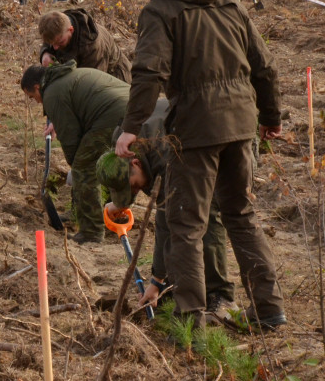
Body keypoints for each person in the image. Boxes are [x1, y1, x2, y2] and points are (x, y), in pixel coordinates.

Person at [114, 0, 285, 331]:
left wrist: (130, 127)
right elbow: (265, 66)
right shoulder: (229, 3)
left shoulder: (159, 11)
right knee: (241, 216)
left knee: (186, 224)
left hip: (195, 128)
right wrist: (270, 117)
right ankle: (269, 310)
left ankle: (191, 324)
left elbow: (147, 73)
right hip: (242, 122)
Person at [96, 98, 236, 320]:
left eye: (132, 188)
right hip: (192, 131)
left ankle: (221, 294)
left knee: (206, 216)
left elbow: (164, 224)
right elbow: (137, 179)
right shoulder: (123, 145)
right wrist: (121, 203)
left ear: (135, 163)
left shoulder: (163, 159)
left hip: (220, 139)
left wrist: (156, 280)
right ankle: (174, 284)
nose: (135, 191)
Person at [20, 61, 128, 243]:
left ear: (38, 87)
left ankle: (91, 232)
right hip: (133, 107)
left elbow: (71, 139)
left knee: (83, 168)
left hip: (112, 115)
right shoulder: (66, 77)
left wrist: (76, 167)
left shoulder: (52, 94)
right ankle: (118, 212)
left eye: (32, 96)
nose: (36, 101)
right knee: (115, 163)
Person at [38, 9, 131, 82]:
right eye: (52, 44)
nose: (55, 48)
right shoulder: (59, 25)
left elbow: (92, 83)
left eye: (60, 42)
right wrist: (45, 53)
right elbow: (51, 39)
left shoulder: (92, 46)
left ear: (71, 30)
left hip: (115, 78)